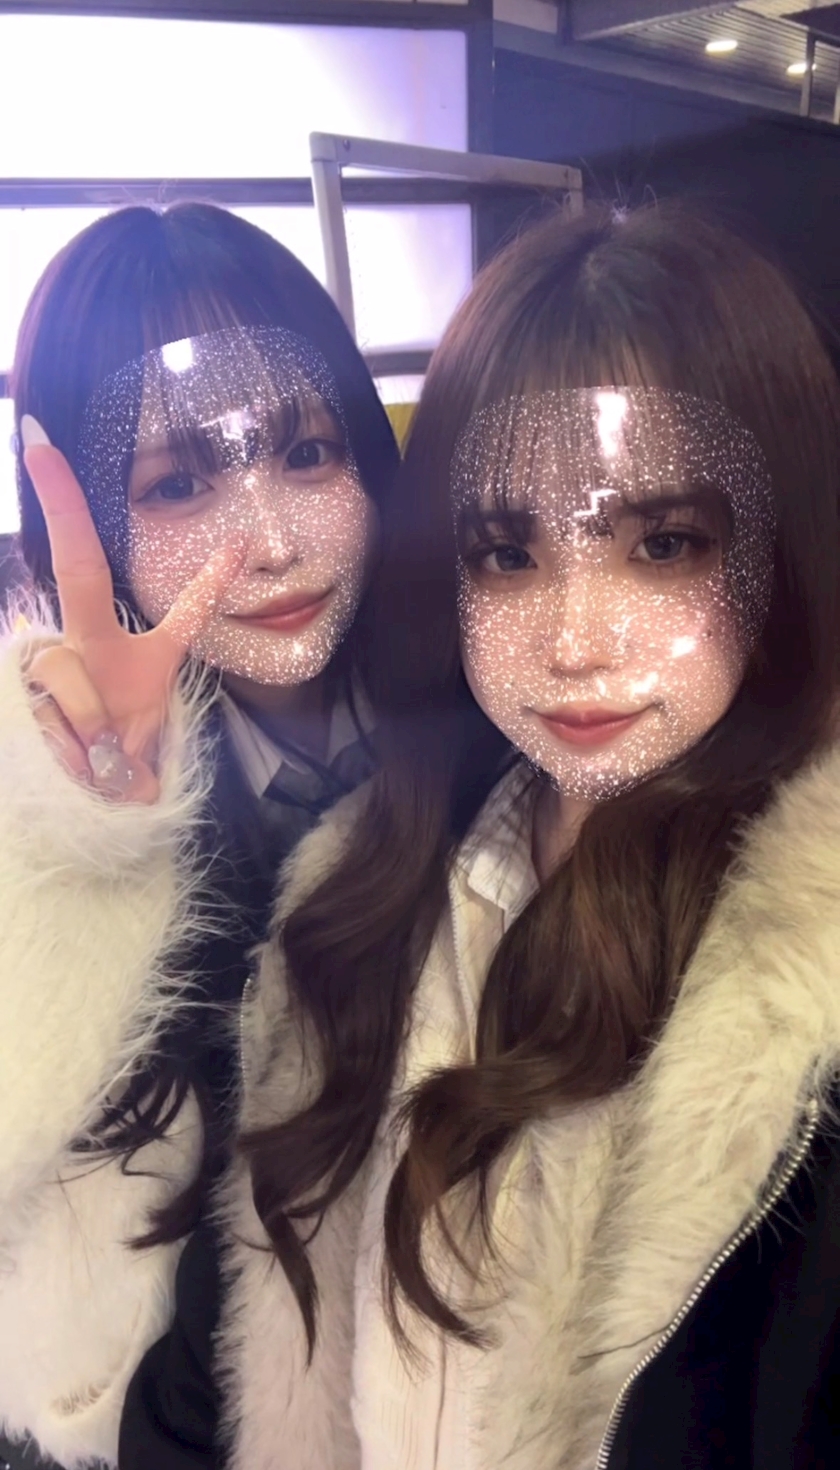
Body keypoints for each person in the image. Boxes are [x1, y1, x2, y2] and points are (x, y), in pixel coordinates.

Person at [212, 202, 840, 1469]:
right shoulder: (364, 888)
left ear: (780, 552)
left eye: (663, 543)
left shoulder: (809, 999)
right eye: (506, 553)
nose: (573, 640)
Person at [0, 201, 398, 1469]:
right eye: (178, 483)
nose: (269, 544)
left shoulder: (515, 717)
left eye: (307, 452)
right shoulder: (44, 790)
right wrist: (89, 839)